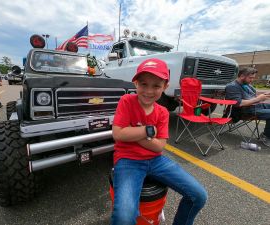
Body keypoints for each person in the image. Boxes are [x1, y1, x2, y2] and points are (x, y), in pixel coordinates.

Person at [111, 58, 207, 225]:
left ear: (165, 87)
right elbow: (118, 134)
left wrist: (132, 132)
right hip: (128, 161)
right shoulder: (126, 100)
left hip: (156, 161)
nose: (149, 91)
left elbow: (159, 146)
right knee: (124, 217)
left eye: (156, 85)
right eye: (143, 84)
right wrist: (148, 131)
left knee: (198, 196)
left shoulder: (162, 112)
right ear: (135, 84)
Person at [225, 67, 270, 147]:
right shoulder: (232, 86)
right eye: (250, 78)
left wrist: (265, 95)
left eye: (253, 78)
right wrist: (258, 99)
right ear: (242, 76)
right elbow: (238, 104)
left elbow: (253, 96)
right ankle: (266, 136)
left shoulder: (247, 85)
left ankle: (267, 134)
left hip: (255, 106)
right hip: (244, 111)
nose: (252, 80)